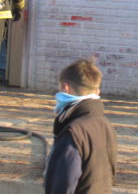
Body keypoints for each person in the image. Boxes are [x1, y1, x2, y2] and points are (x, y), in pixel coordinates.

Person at [45, 58, 118, 194]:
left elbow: (65, 182)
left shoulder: (73, 132)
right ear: (97, 92)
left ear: (65, 88)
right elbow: (111, 171)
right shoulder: (106, 125)